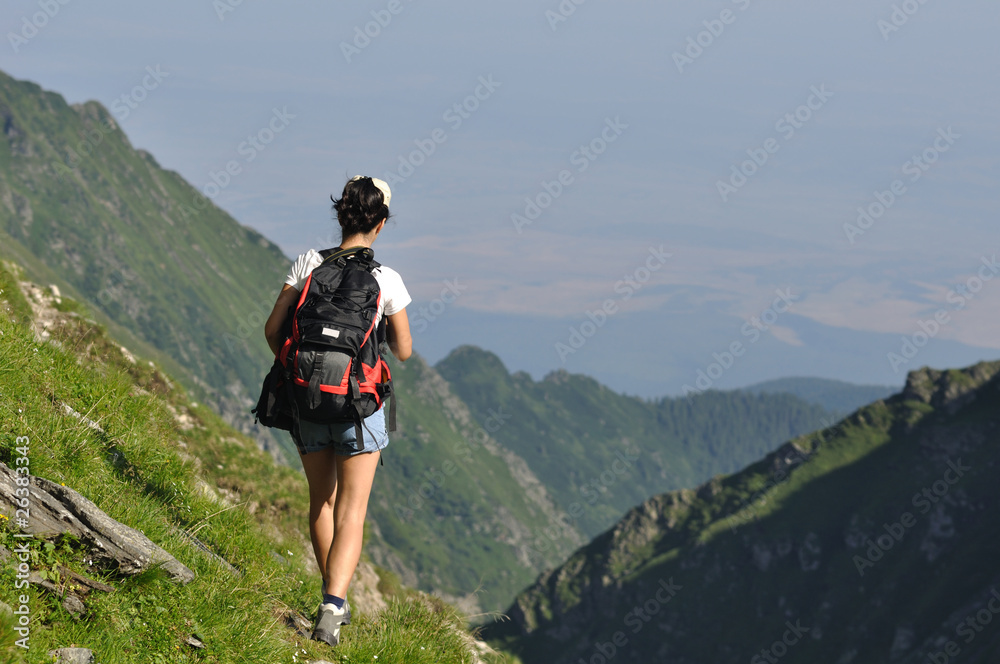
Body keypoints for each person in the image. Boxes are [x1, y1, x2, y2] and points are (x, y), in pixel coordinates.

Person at [263, 175, 412, 646]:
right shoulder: (386, 280)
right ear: (381, 224)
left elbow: (272, 329)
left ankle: (331, 595)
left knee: (321, 503)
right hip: (358, 409)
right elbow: (403, 351)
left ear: (341, 215)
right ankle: (333, 603)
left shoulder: (308, 263)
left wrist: (299, 367)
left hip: (307, 400)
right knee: (352, 512)